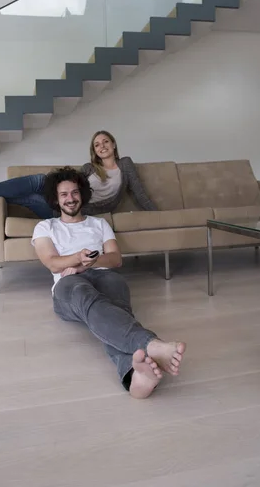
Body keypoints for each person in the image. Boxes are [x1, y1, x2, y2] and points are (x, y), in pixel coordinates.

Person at [32, 166, 186, 399]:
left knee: (115, 306)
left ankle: (136, 377)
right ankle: (150, 344)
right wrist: (76, 259)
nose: (70, 199)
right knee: (86, 294)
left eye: (74, 192)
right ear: (56, 199)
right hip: (68, 283)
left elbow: (115, 259)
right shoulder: (46, 227)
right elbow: (53, 263)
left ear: (81, 194)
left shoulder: (99, 224)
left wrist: (88, 264)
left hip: (104, 274)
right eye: (64, 194)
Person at [0, 130, 157, 218]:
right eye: (97, 144)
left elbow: (139, 193)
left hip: (72, 212)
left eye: (105, 142)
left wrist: (159, 215)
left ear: (113, 144)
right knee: (39, 181)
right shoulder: (89, 168)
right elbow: (69, 185)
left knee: (30, 197)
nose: (102, 146)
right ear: (94, 150)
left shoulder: (126, 164)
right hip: (62, 199)